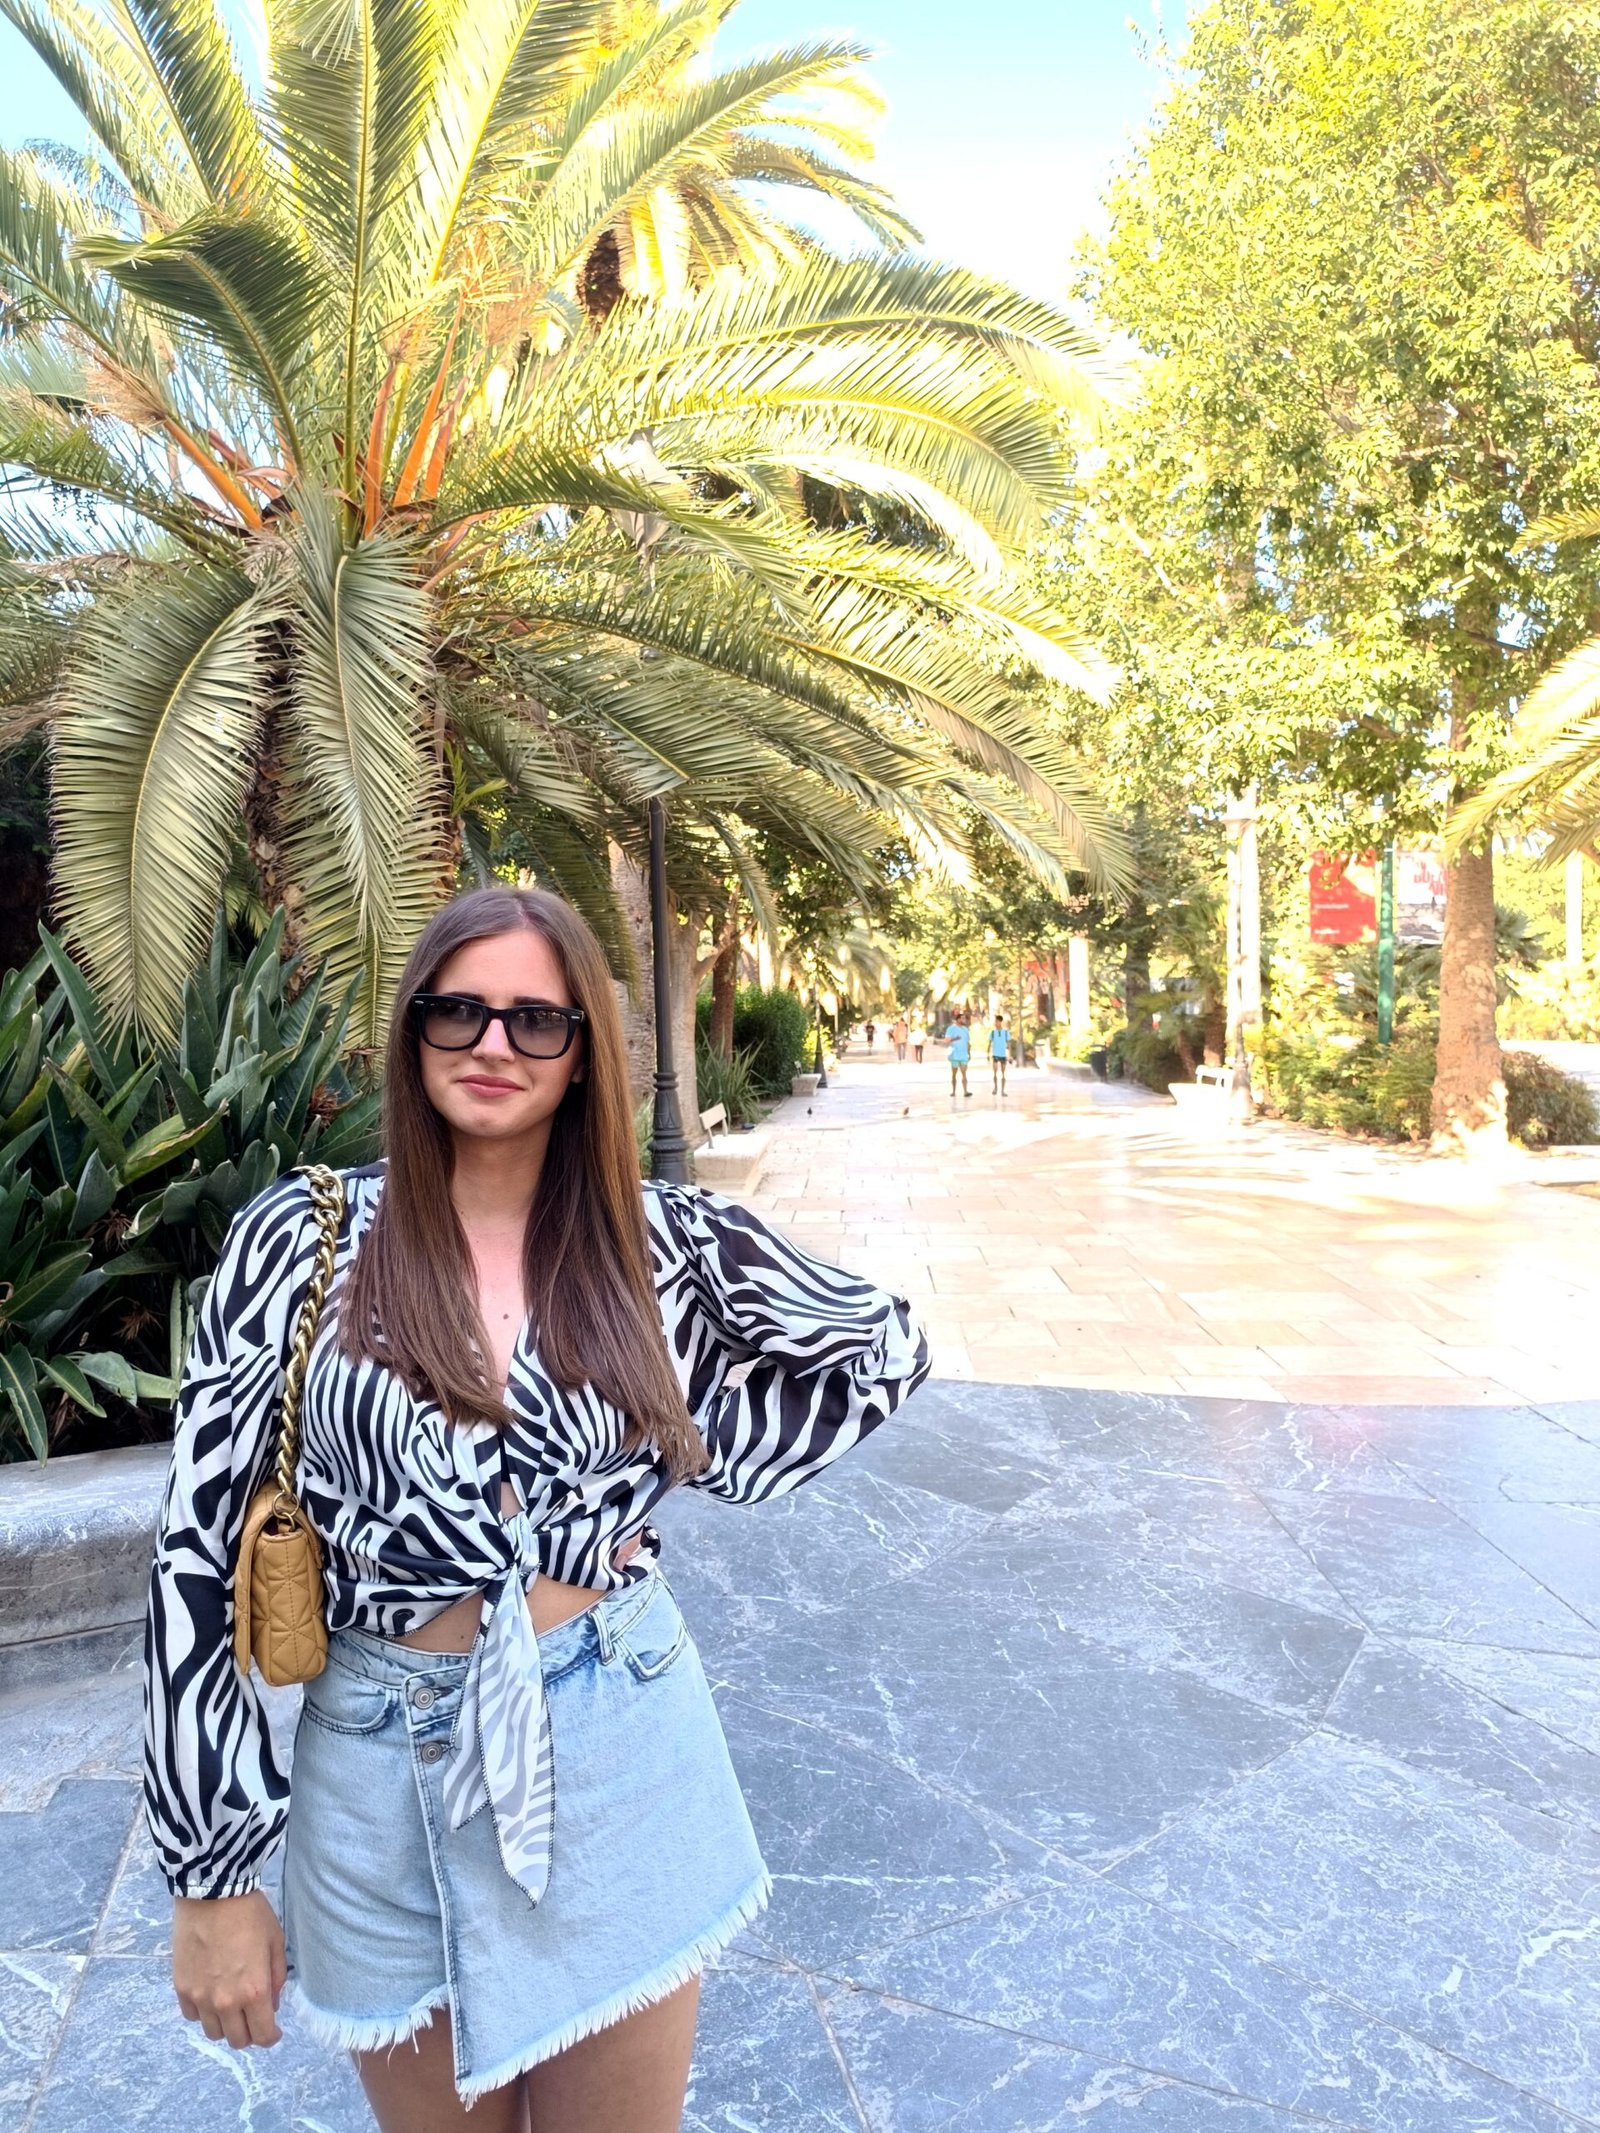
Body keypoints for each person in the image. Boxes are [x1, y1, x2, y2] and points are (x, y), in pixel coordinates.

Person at [144, 886, 931, 2133]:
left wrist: (673, 1458)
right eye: (457, 1012)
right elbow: (195, 1554)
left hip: (618, 1732)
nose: (493, 1045)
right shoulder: (301, 1240)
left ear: (581, 1056)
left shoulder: (658, 1241)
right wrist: (210, 1874)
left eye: (535, 1021)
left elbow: (881, 1345)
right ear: (413, 1032)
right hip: (378, 1763)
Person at [943, 1010, 971, 1097]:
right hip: (955, 1055)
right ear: (958, 1019)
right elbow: (946, 1040)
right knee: (954, 1074)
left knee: (964, 1073)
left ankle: (965, 1091)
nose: (964, 1020)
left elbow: (968, 1042)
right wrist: (955, 1039)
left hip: (964, 1055)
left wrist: (969, 1053)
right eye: (962, 1018)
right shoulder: (951, 1029)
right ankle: (953, 1091)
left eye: (965, 1018)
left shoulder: (966, 1030)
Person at [989, 1011, 1010, 1095]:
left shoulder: (1006, 1032)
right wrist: (988, 1054)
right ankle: (995, 1088)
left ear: (1000, 1022)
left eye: (997, 1021)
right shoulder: (993, 1032)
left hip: (1003, 1055)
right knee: (995, 1073)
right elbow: (990, 1043)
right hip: (995, 1054)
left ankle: (1003, 1090)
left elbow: (1009, 1044)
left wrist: (1009, 1055)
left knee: (1003, 1073)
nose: (995, 1023)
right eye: (995, 1021)